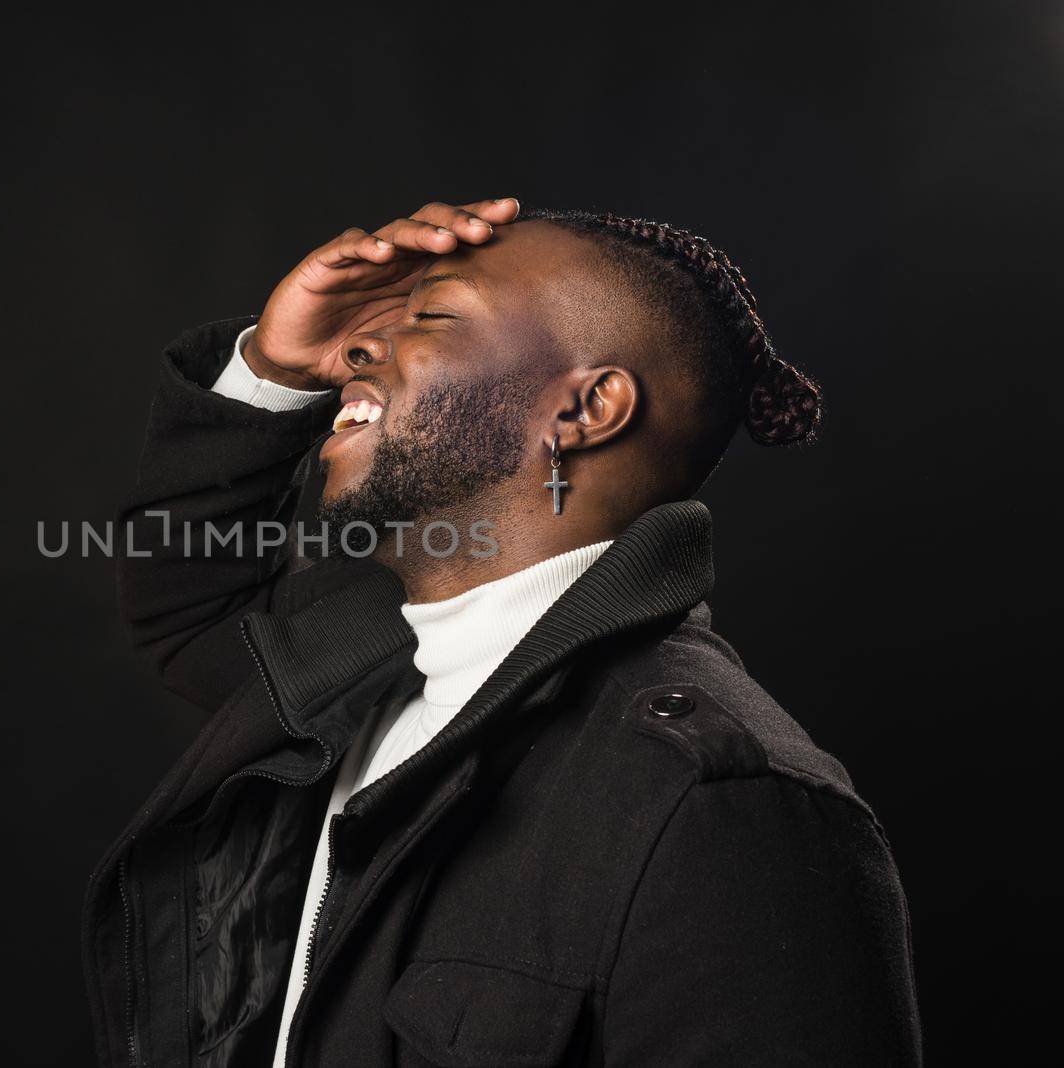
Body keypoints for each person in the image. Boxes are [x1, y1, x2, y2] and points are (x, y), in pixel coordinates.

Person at [80, 196, 921, 1066]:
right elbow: (189, 609)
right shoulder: (368, 657)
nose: (362, 347)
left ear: (587, 409)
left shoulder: (721, 811)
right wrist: (274, 366)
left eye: (432, 316)